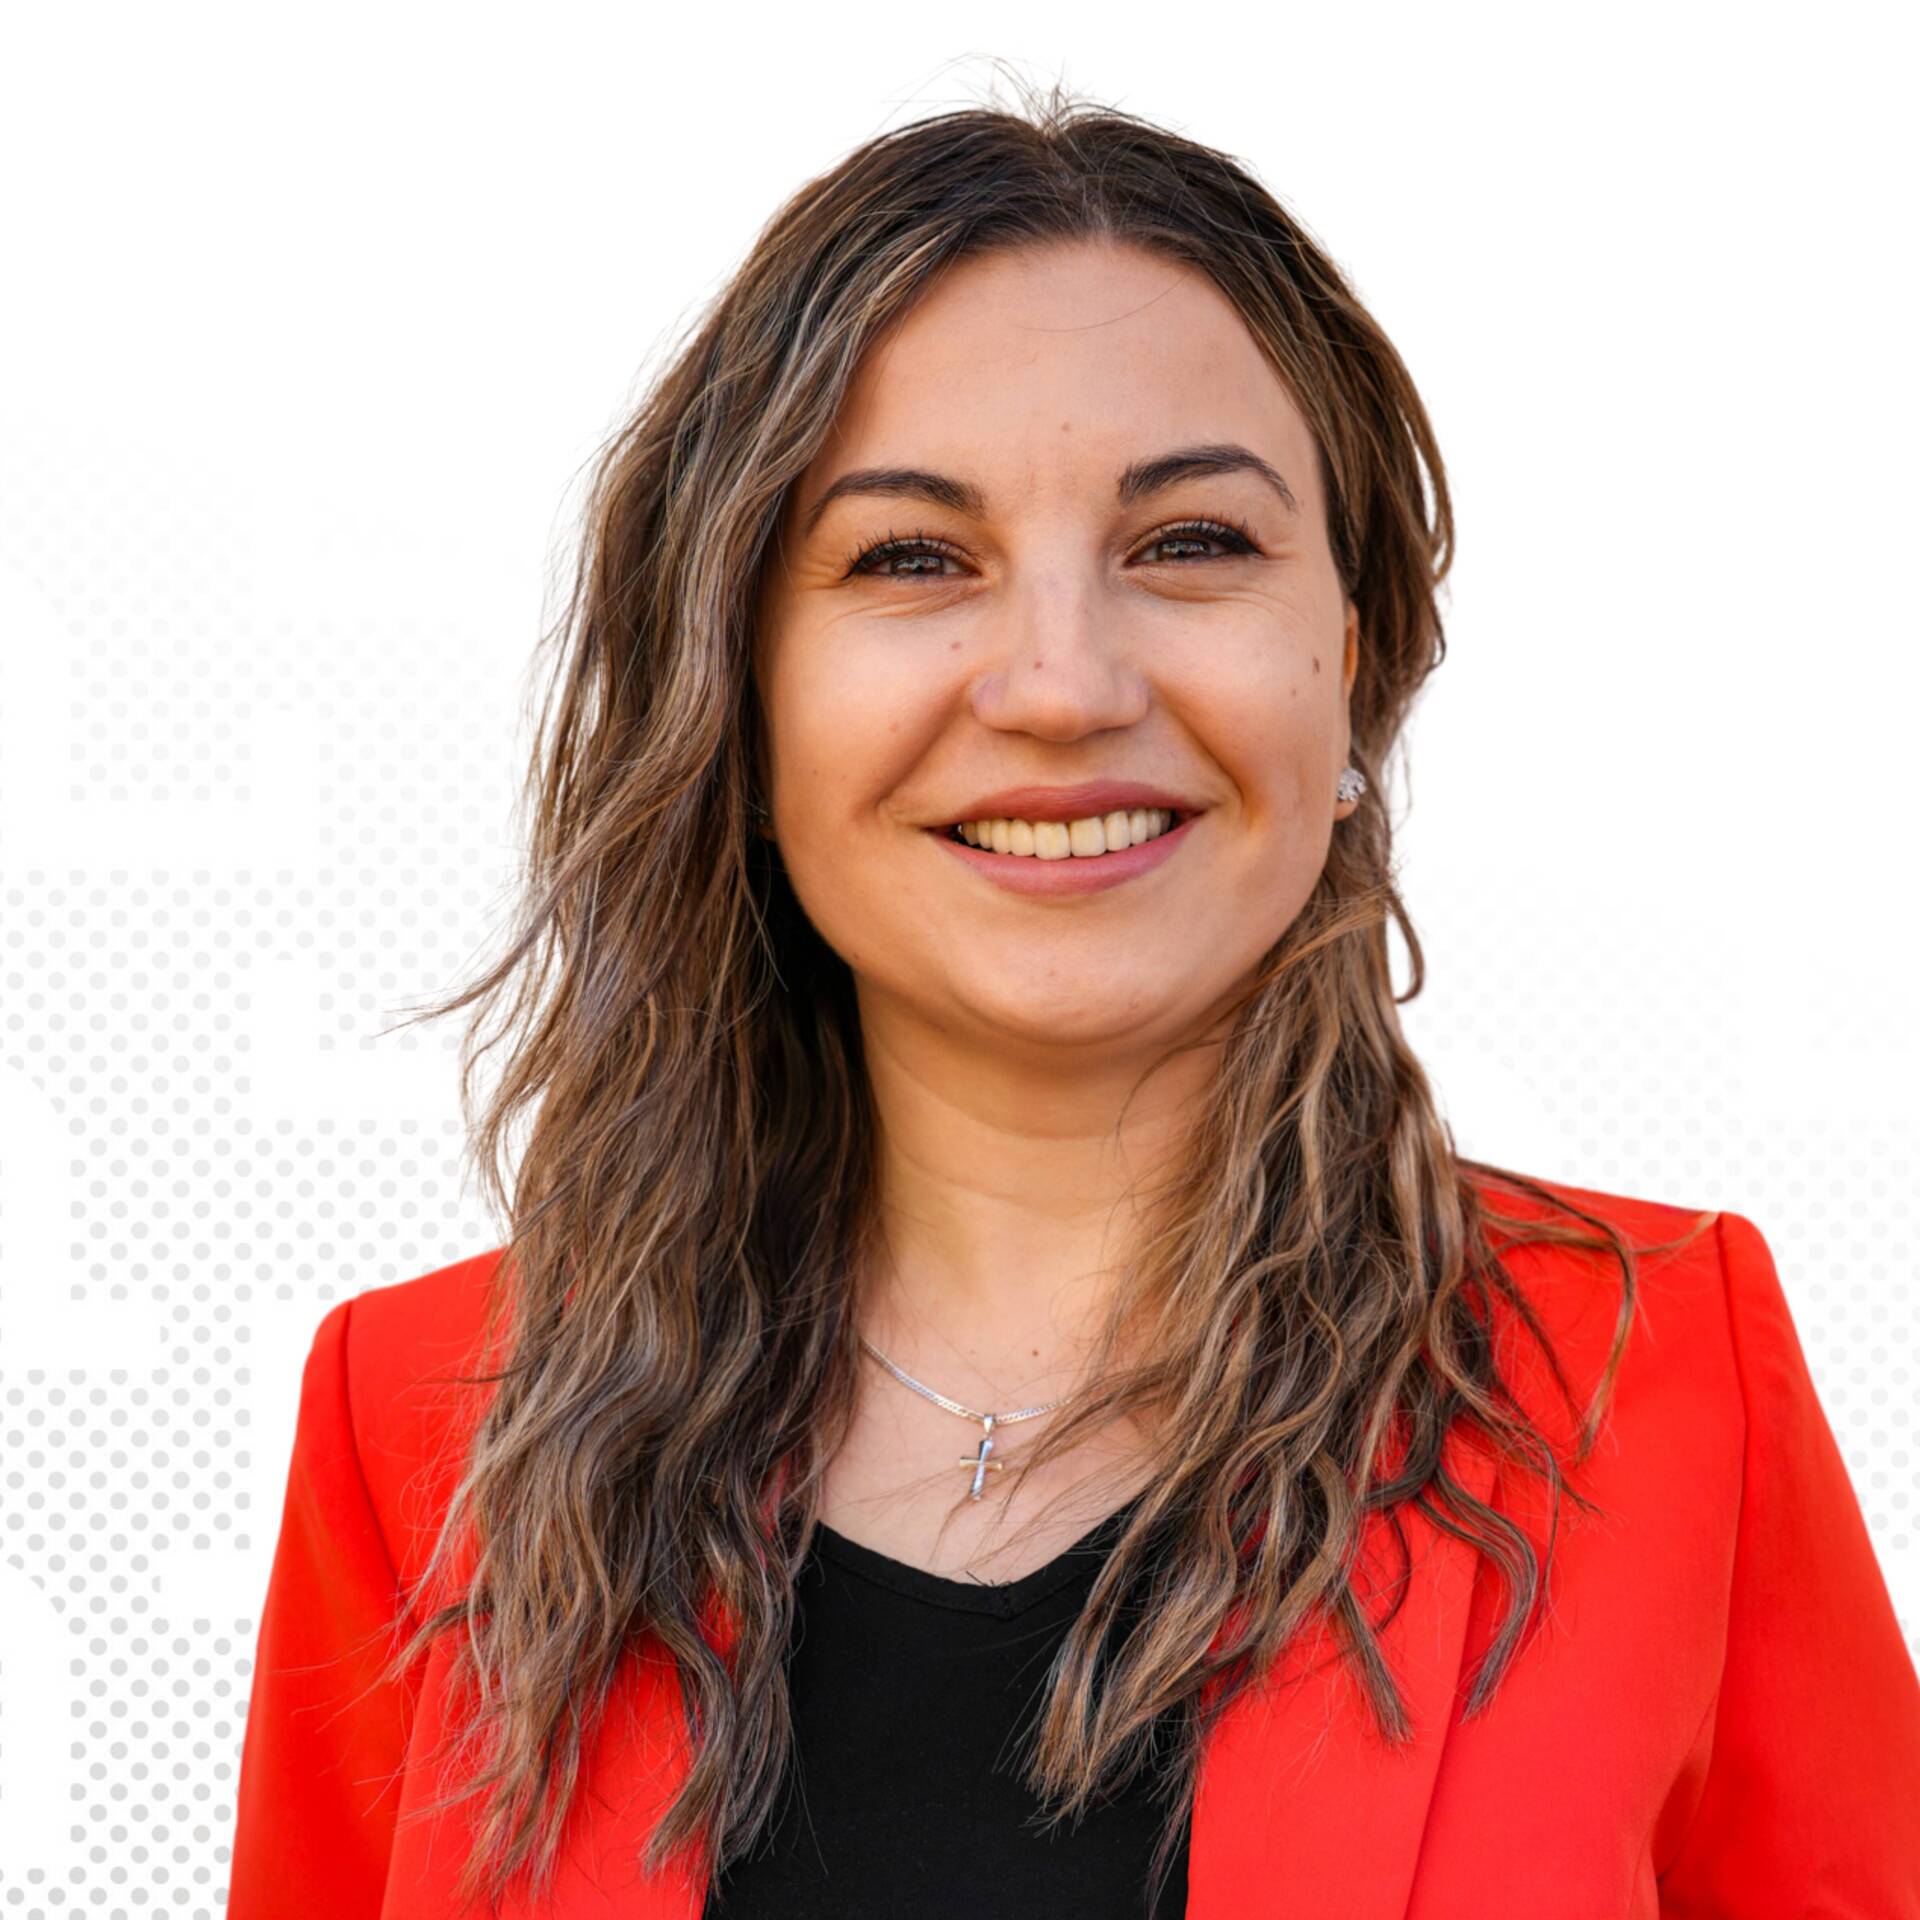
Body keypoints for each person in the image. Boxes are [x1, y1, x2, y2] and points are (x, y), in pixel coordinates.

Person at [226, 80, 1920, 1919]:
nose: (1060, 683)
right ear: (744, 689)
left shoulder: (1658, 1389)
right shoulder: (419, 1427)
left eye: (1191, 543)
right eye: (909, 557)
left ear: (1347, 663)